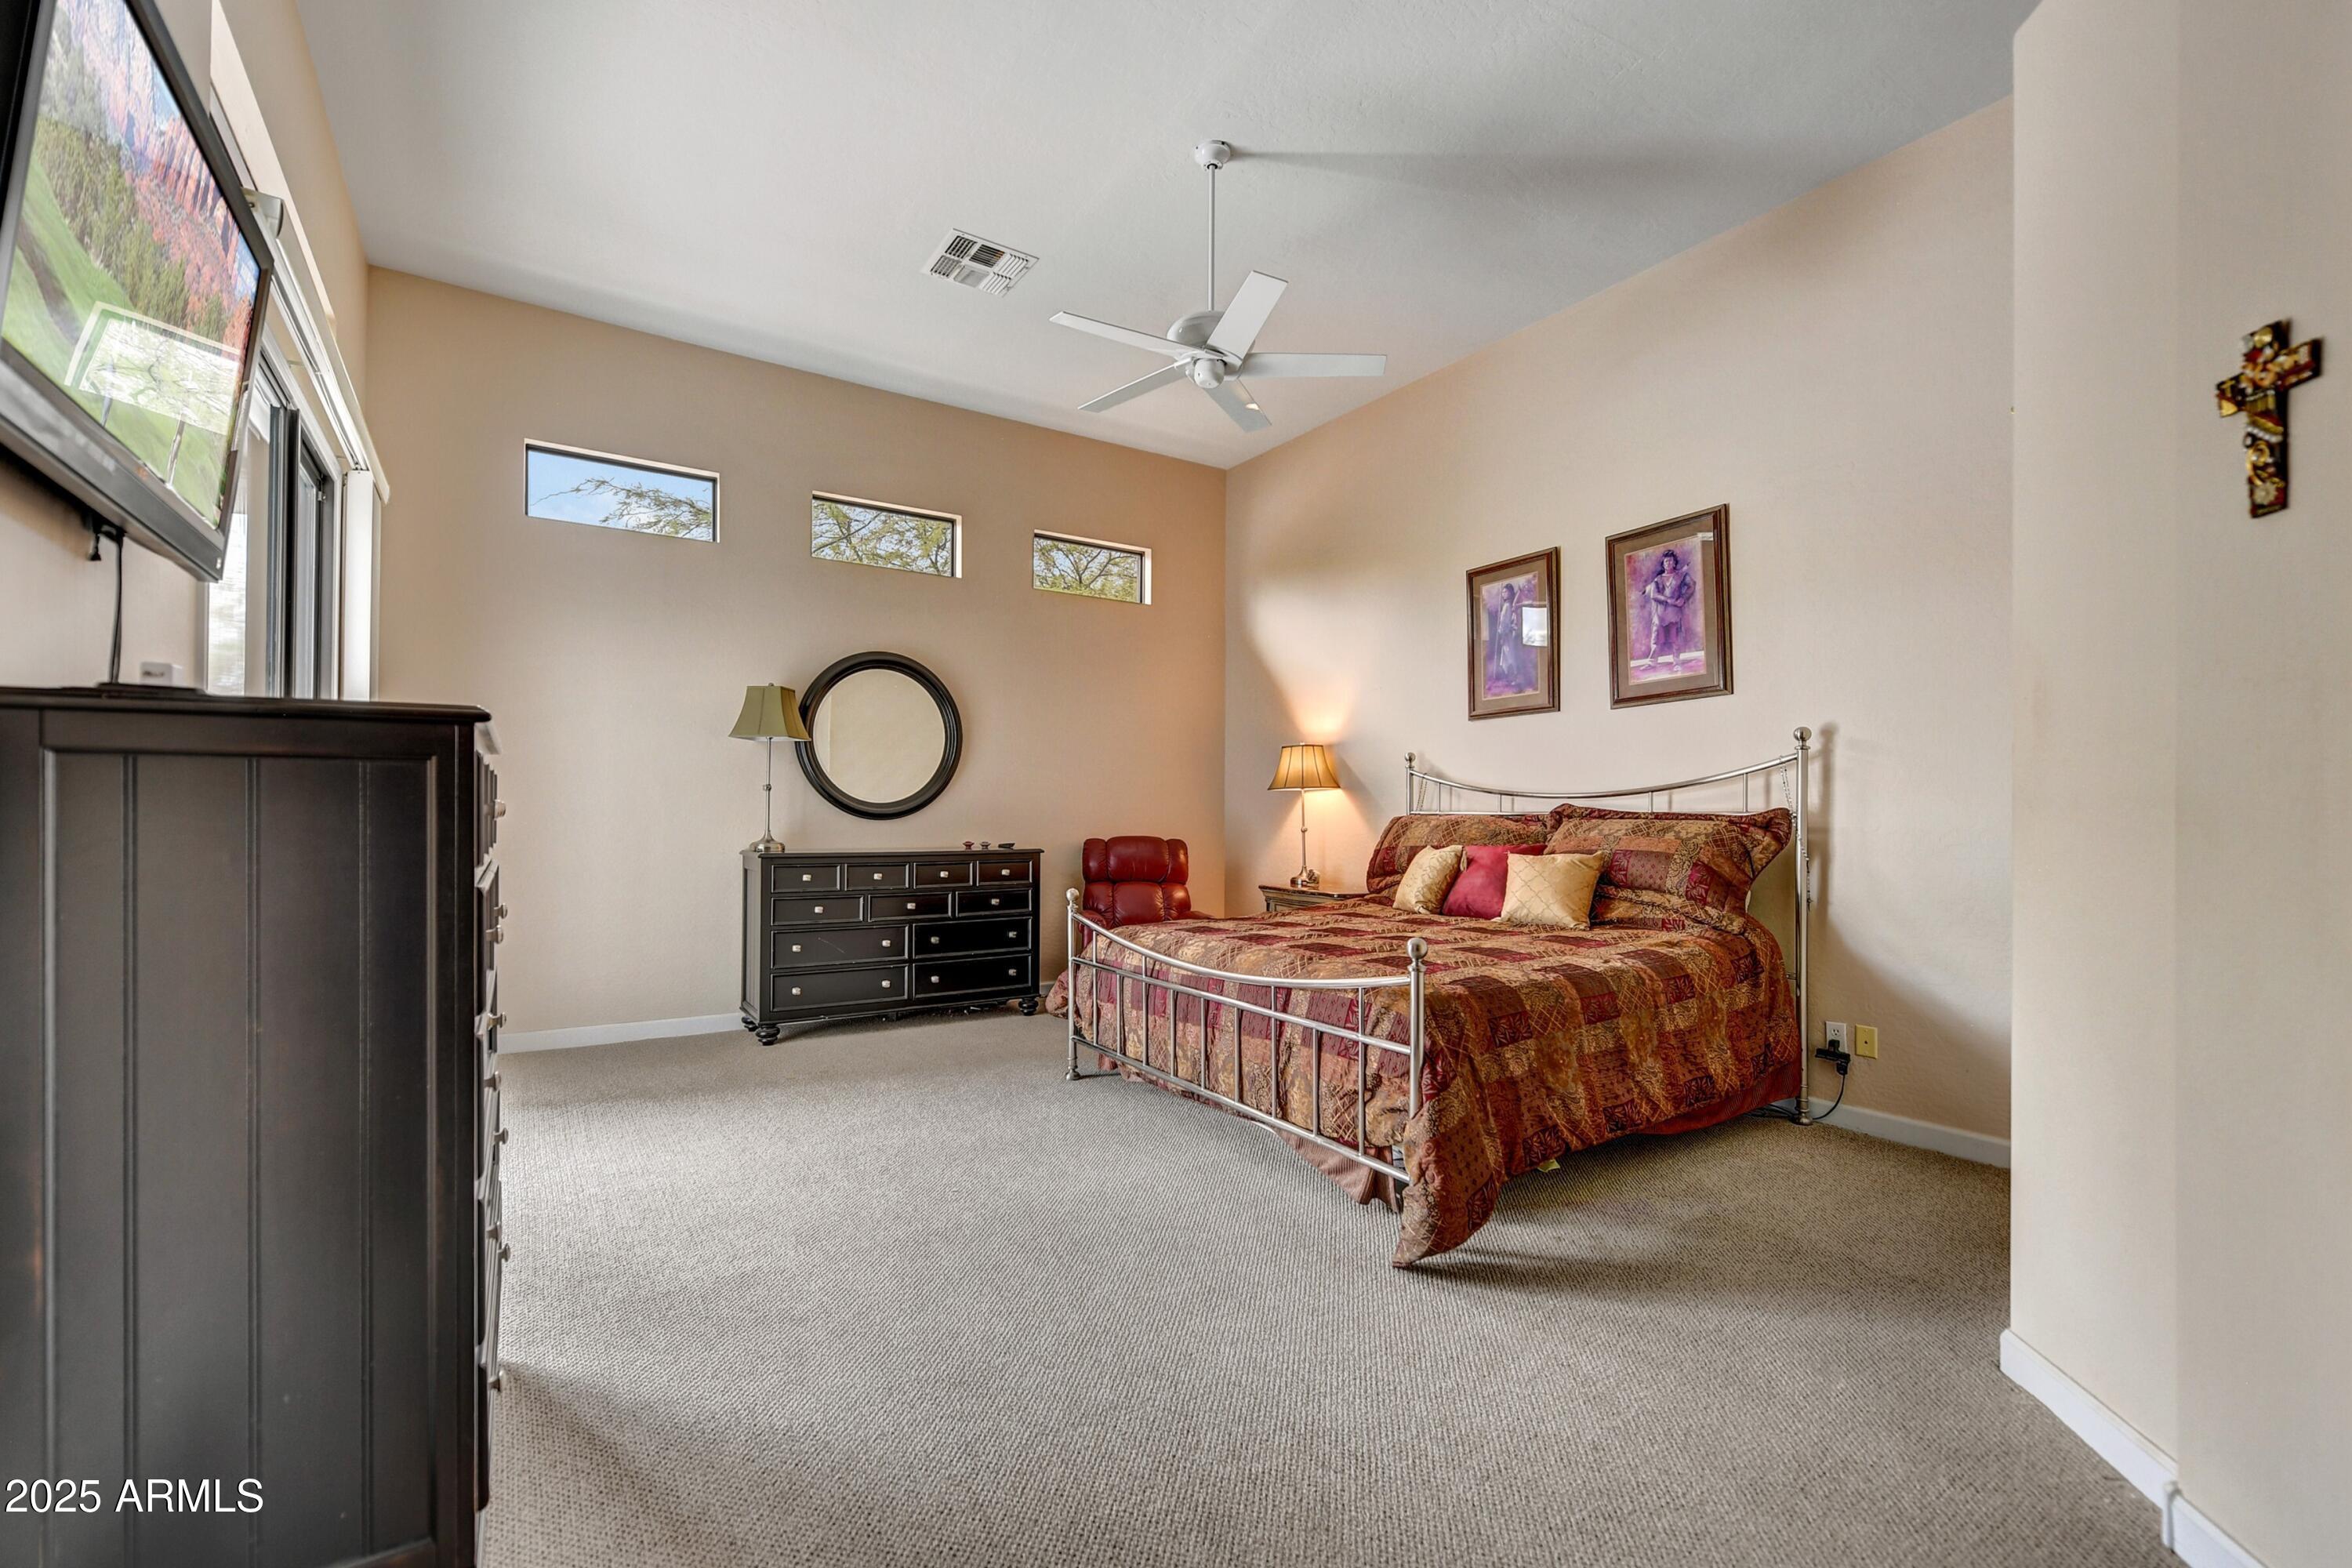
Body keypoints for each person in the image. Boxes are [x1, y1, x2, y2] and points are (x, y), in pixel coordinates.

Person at [1640, 548, 1697, 673]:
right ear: (1663, 563)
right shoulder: (1658, 579)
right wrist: (1669, 600)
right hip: (1660, 615)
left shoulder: (1681, 576)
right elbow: (1654, 595)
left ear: (1675, 563)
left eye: (1671, 561)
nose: (1668, 563)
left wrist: (1684, 598)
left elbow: (1692, 585)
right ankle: (1652, 663)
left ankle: (1677, 662)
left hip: (1674, 614)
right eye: (1666, 561)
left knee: (1675, 639)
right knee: (1656, 640)